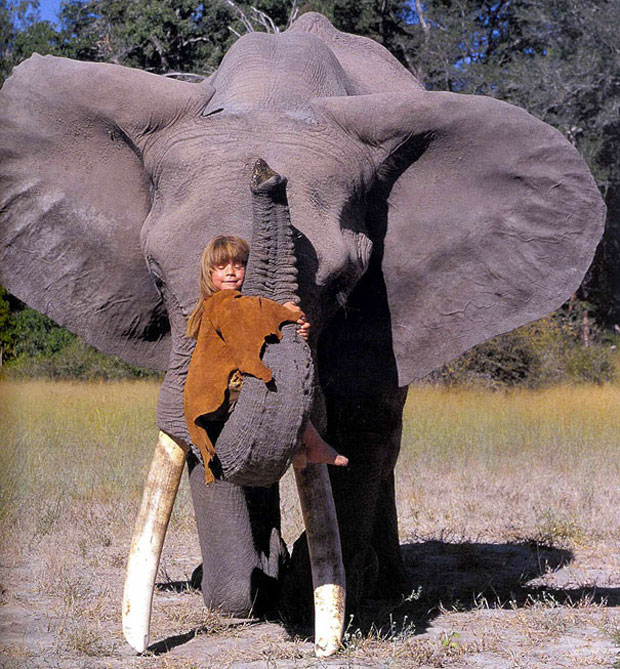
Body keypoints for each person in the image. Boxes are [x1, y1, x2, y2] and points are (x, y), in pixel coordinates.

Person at [184, 234, 348, 481]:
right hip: (220, 391)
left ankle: (310, 442)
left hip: (211, 396)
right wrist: (285, 312)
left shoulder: (223, 305)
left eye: (238, 266)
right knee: (283, 383)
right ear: (208, 274)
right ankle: (313, 443)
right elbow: (255, 312)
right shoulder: (223, 303)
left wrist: (293, 332)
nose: (231, 272)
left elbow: (255, 335)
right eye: (221, 267)